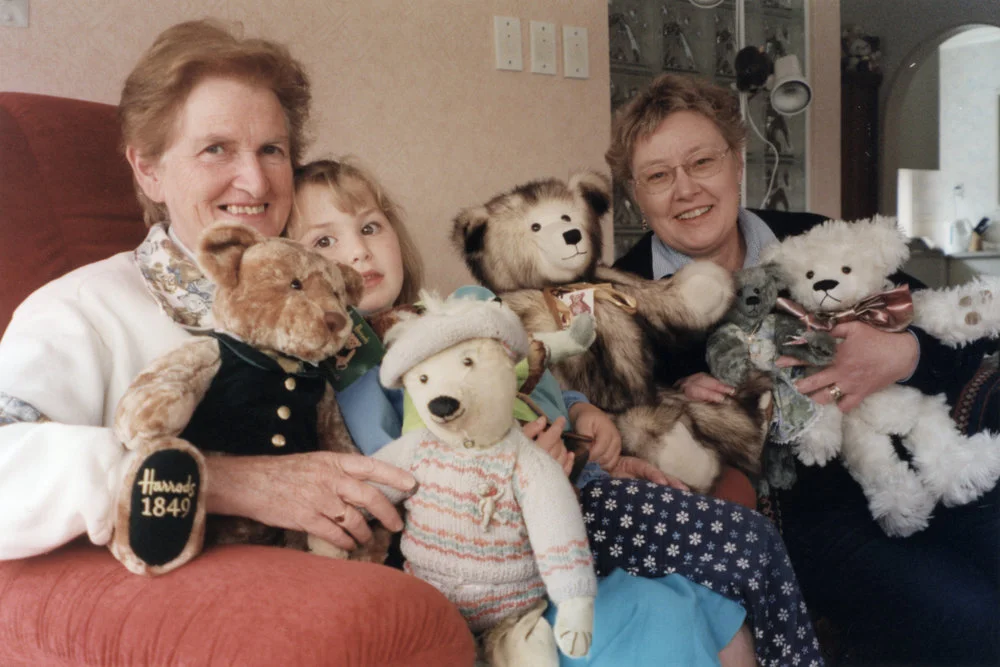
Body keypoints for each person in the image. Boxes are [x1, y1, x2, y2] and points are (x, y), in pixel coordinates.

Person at [287, 157, 824, 667]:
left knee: (713, 599)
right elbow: (399, 470)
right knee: (744, 544)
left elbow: (528, 376)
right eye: (325, 241)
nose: (358, 253)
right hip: (524, 522)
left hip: (575, 482)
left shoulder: (457, 312)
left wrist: (583, 409)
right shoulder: (356, 376)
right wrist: (512, 461)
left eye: (370, 228)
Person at [606, 72, 1000, 666]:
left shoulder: (812, 241)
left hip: (927, 461)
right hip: (807, 520)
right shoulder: (623, 303)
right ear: (638, 196)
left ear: (738, 162)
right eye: (659, 176)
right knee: (973, 619)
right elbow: (609, 425)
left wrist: (905, 353)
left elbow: (962, 334)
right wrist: (672, 405)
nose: (685, 190)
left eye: (701, 162)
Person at [0, 20, 417, 568]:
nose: (256, 182)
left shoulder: (338, 306)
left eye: (271, 150)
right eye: (216, 149)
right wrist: (215, 480)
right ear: (148, 170)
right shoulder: (82, 309)